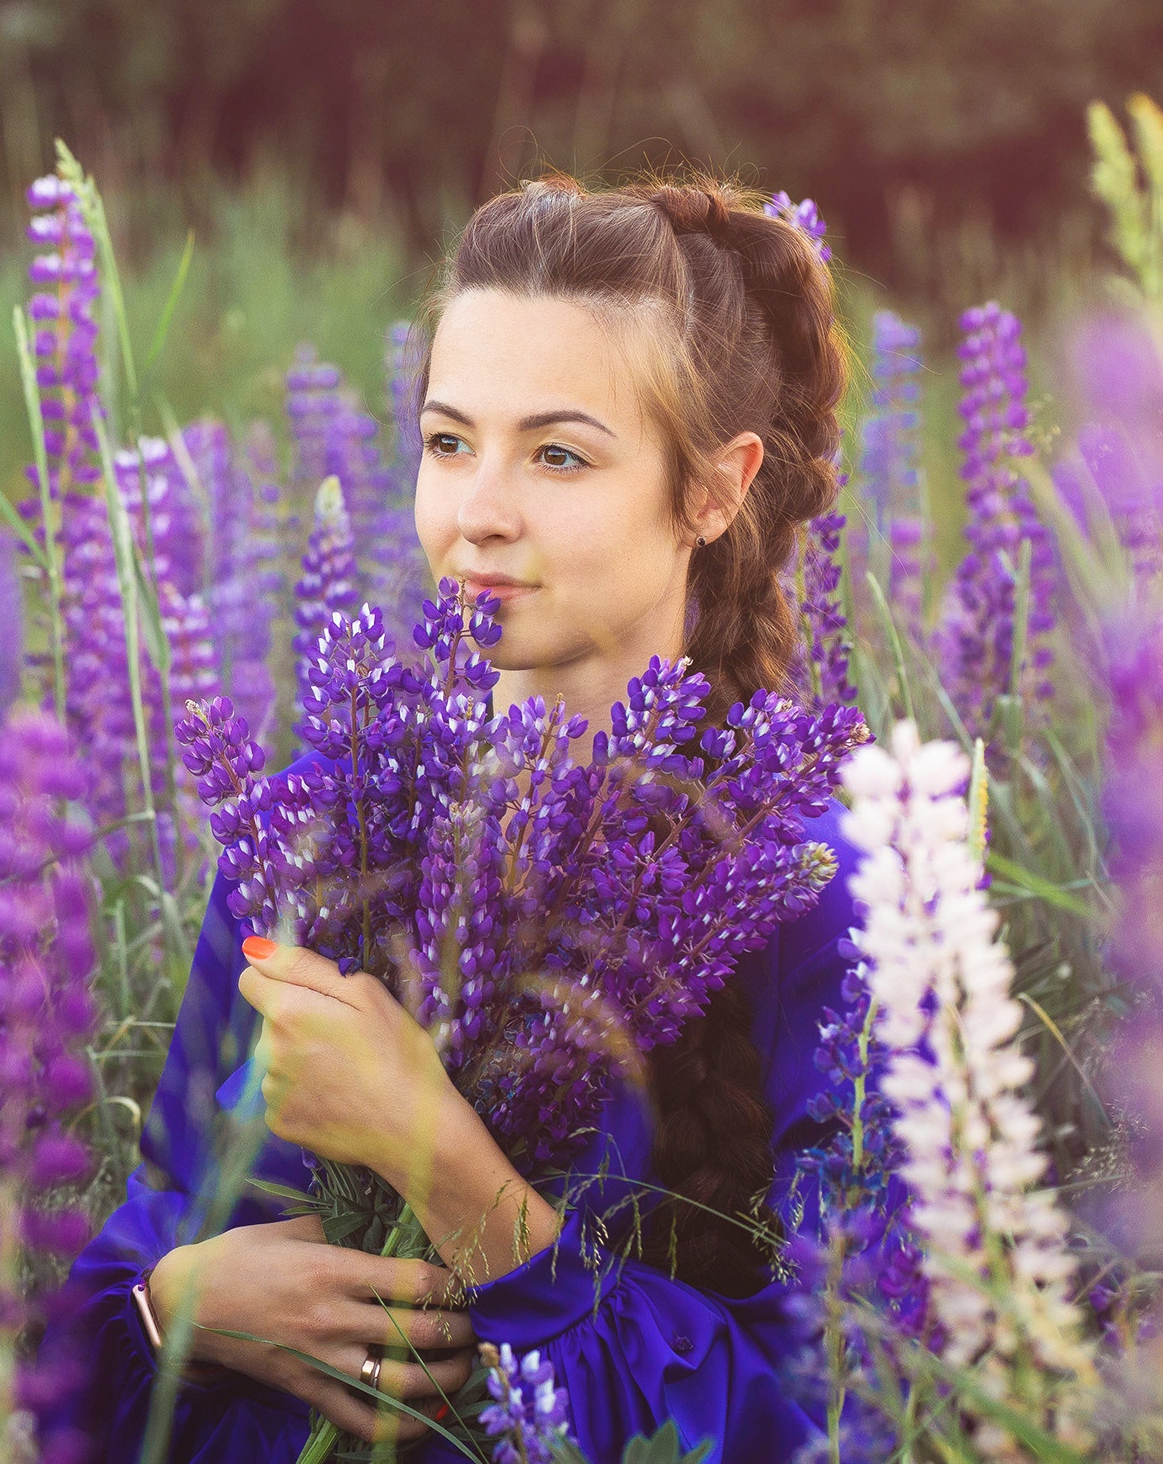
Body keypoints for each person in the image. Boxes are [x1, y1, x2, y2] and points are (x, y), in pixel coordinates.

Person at [55, 172, 878, 1463]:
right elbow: (152, 1219)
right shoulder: (311, 823)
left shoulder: (801, 884)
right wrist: (175, 1307)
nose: (477, 512)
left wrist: (444, 1167)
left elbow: (850, 1414)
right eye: (448, 442)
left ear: (713, 491)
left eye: (556, 454)